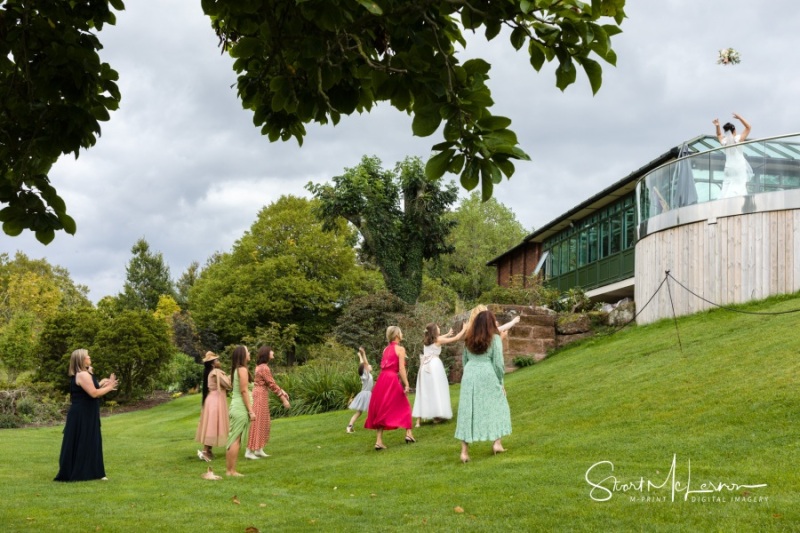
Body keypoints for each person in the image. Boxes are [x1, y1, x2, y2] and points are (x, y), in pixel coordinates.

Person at [454, 310, 512, 463]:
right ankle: (497, 443)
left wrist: (468, 375)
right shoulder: (495, 339)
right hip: (487, 372)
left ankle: (464, 452)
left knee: (468, 410)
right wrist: (500, 383)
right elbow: (498, 364)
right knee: (498, 405)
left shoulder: (468, 339)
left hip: (469, 374)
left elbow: (464, 360)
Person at [54, 349, 118, 482]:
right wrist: (110, 386)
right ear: (82, 360)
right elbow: (94, 393)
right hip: (82, 413)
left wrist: (102, 383)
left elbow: (89, 389)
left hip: (86, 412)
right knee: (84, 440)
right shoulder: (83, 374)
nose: (89, 357)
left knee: (89, 440)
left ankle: (92, 471)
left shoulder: (85, 374)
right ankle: (82, 472)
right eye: (87, 356)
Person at [364, 326, 416, 449]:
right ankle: (408, 433)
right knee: (405, 405)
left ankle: (379, 441)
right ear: (397, 335)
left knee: (382, 408)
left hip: (382, 379)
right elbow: (402, 368)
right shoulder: (401, 349)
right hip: (392, 379)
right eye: (401, 332)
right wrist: (407, 384)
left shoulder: (385, 349)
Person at [412, 323, 465, 427]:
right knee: (437, 389)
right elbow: (457, 338)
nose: (439, 327)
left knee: (424, 391)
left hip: (424, 367)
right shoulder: (438, 340)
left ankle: (418, 421)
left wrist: (447, 334)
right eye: (437, 327)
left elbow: (440, 338)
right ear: (434, 331)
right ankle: (437, 415)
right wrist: (464, 329)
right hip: (434, 366)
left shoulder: (427, 340)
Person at [246, 346, 290, 460]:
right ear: (266, 353)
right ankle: (249, 451)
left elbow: (271, 383)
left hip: (261, 394)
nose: (273, 352)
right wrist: (283, 399)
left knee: (263, 422)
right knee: (258, 422)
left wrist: (282, 391)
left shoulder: (262, 367)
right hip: (260, 395)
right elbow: (271, 384)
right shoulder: (264, 368)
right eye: (271, 351)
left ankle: (258, 449)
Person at [195, 352, 231, 462]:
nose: (219, 362)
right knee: (212, 426)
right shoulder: (216, 372)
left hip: (211, 399)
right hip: (216, 401)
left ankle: (208, 450)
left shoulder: (209, 373)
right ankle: (205, 451)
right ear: (212, 364)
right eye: (217, 361)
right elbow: (227, 384)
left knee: (212, 425)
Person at [225, 345, 255, 477]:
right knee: (235, 439)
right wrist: (250, 411)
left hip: (237, 407)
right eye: (248, 352)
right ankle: (231, 471)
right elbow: (243, 391)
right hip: (240, 408)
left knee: (234, 438)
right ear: (243, 355)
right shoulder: (242, 370)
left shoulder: (238, 370)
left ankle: (230, 470)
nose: (250, 354)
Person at [713, 113, 753, 198]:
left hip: (728, 168)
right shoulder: (738, 139)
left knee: (727, 188)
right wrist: (739, 117)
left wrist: (717, 125)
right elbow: (748, 127)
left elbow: (719, 135)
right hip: (739, 167)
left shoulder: (725, 142)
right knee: (740, 188)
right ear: (734, 130)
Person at [346, 347, 373, 433]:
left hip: (365, 394)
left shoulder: (366, 374)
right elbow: (364, 363)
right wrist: (362, 354)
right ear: (365, 369)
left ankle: (349, 427)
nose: (369, 365)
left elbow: (363, 364)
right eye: (368, 366)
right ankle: (374, 424)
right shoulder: (366, 375)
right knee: (371, 410)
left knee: (359, 412)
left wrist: (361, 355)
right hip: (366, 394)